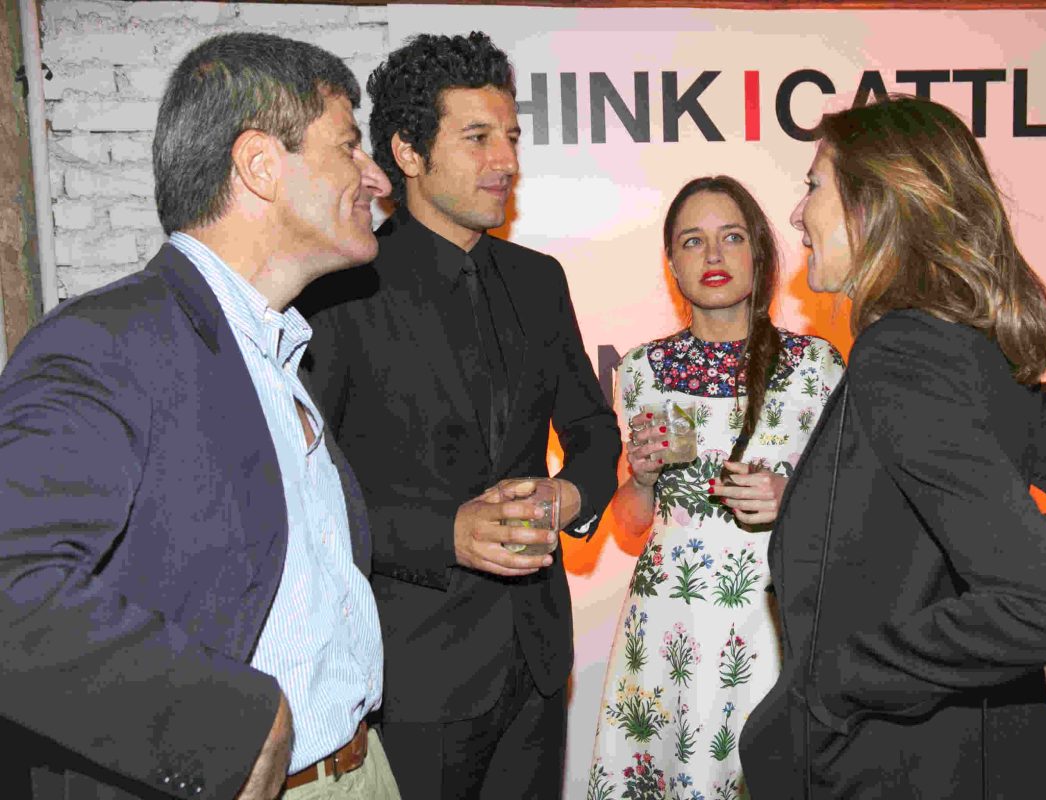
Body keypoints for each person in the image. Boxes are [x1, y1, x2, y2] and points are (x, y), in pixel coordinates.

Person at [0, 33, 401, 800]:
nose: (375, 176)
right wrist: (222, 723)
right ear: (259, 165)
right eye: (349, 145)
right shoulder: (109, 344)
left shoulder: (276, 349)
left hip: (359, 767)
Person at [739, 95, 1046, 799]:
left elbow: (1045, 606)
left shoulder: (903, 357)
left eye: (814, 185)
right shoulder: (970, 350)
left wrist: (843, 678)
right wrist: (962, 587)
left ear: (874, 205)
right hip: (992, 762)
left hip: (903, 770)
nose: (796, 213)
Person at [297, 32, 621, 799]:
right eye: (477, 138)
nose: (505, 160)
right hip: (412, 671)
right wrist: (447, 533)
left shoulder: (540, 281)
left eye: (510, 136)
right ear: (408, 152)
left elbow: (594, 431)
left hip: (538, 662)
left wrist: (569, 495)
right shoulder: (339, 290)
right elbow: (307, 491)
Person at [588, 176, 844, 799]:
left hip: (773, 619)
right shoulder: (642, 370)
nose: (712, 256)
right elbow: (631, 524)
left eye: (731, 237)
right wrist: (642, 477)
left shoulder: (816, 367)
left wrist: (790, 499)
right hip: (667, 624)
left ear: (759, 251)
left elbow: (858, 512)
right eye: (692, 241)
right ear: (672, 263)